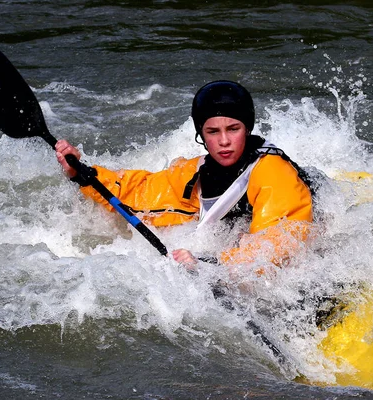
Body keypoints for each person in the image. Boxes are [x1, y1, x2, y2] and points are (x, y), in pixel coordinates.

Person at [55, 80, 313, 275]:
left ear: (247, 128)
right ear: (201, 133)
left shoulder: (272, 172)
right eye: (213, 131)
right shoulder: (196, 172)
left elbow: (278, 245)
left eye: (233, 129)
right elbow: (139, 193)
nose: (224, 141)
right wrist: (83, 174)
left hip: (308, 221)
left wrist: (209, 264)